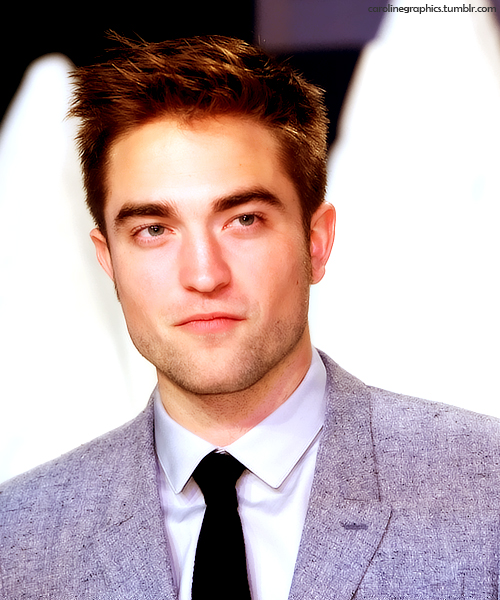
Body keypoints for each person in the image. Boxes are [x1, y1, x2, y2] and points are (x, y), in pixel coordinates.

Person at [1, 34, 500, 600]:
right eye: (154, 230)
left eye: (244, 220)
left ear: (317, 242)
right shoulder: (16, 538)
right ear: (108, 261)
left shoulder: (486, 490)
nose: (204, 275)